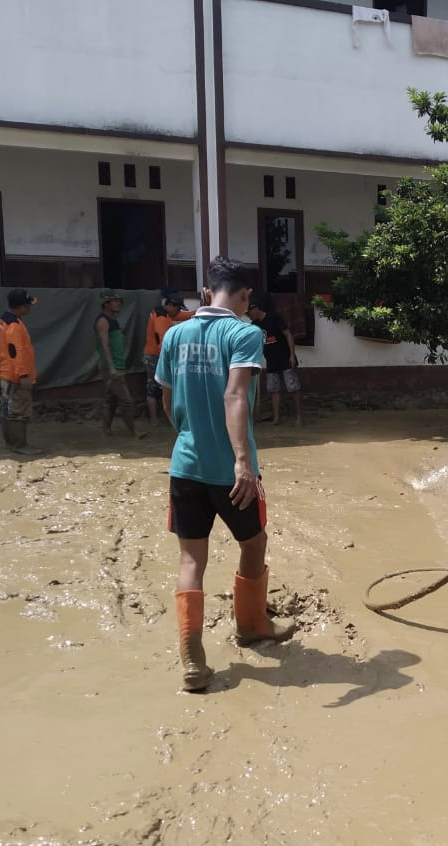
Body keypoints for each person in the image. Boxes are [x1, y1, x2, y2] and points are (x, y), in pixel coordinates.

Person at [155, 256, 295, 693]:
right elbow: (236, 396)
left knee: (191, 559)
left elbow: (166, 397)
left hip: (185, 465)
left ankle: (192, 657)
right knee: (254, 542)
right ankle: (251, 626)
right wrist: (241, 462)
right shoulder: (245, 333)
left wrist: (187, 436)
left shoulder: (175, 333)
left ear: (204, 292)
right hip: (230, 472)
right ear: (245, 295)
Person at [0, 288, 40, 455]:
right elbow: (16, 352)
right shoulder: (14, 325)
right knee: (19, 411)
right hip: (16, 375)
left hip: (7, 372)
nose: (30, 308)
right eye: (28, 305)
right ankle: (20, 445)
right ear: (21, 307)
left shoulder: (3, 321)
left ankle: (10, 443)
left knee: (8, 408)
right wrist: (23, 375)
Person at [246, 295, 303, 427]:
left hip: (285, 358)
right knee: (274, 390)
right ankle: (276, 417)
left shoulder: (274, 318)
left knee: (294, 388)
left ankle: (299, 417)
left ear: (255, 309)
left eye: (249, 313)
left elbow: (288, 334)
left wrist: (292, 355)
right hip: (271, 361)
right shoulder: (254, 326)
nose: (248, 316)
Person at [143, 287, 194, 427]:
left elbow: (182, 316)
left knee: (160, 387)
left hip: (154, 355)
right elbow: (163, 342)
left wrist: (199, 312)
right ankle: (154, 420)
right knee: (154, 388)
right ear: (171, 305)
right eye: (178, 308)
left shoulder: (164, 313)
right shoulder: (161, 318)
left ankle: (160, 417)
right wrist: (167, 361)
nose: (179, 311)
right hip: (155, 356)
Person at [94, 290, 141, 437]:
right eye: (114, 301)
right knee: (125, 401)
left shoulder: (112, 321)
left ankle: (106, 431)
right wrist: (112, 368)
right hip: (111, 368)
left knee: (111, 400)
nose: (118, 303)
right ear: (106, 304)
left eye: (119, 301)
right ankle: (134, 433)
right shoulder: (103, 321)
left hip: (116, 366)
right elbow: (105, 346)